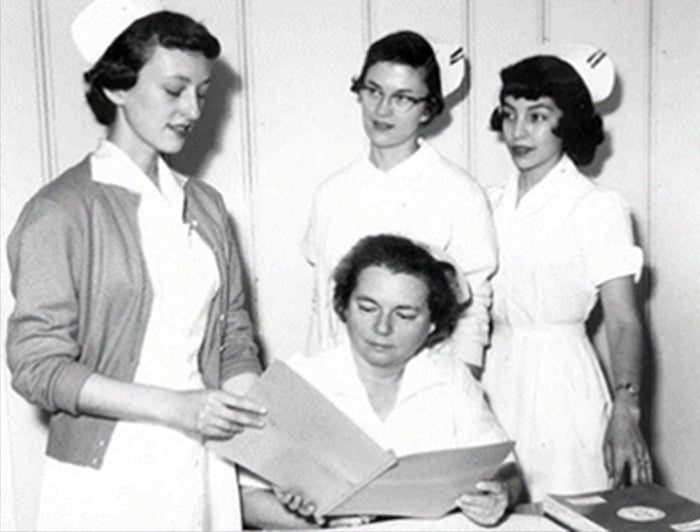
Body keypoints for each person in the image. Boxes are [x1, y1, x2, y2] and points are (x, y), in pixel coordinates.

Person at [5, 1, 265, 530]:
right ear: (117, 87)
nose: (193, 110)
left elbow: (234, 337)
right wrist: (176, 408)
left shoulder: (208, 207)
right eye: (174, 90)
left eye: (202, 92)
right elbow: (38, 368)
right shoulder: (62, 211)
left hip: (205, 466)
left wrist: (263, 431)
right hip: (109, 477)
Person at [242, 234, 522, 529]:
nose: (382, 327)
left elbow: (508, 470)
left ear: (432, 324)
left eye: (404, 314)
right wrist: (317, 523)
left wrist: (501, 494)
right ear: (344, 306)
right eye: (367, 307)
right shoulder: (297, 381)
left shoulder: (449, 377)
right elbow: (248, 499)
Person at [482, 43, 653, 502]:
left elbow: (623, 321)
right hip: (494, 380)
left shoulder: (597, 207)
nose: (518, 131)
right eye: (510, 114)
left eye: (537, 116)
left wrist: (626, 409)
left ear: (567, 122)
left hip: (563, 387)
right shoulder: (489, 204)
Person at [302, 31, 497, 377]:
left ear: (428, 109)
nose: (382, 109)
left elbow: (473, 309)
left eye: (403, 98)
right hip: (340, 384)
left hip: (424, 385)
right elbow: (322, 306)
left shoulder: (458, 193)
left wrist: (460, 390)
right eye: (373, 91)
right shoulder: (332, 192)